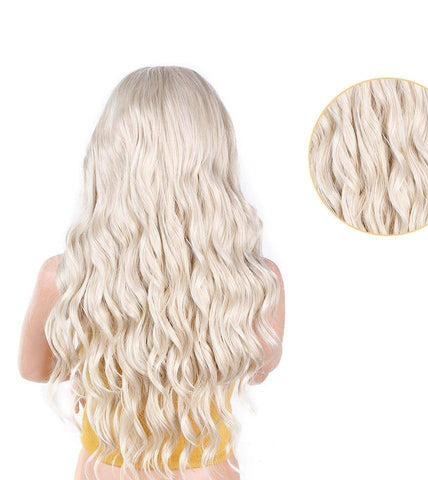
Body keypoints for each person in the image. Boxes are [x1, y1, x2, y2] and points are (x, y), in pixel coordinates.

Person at [18, 66, 285, 480]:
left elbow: (34, 369)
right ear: (215, 161)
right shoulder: (255, 283)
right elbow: (259, 370)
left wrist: (106, 354)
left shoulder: (67, 279)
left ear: (108, 160)